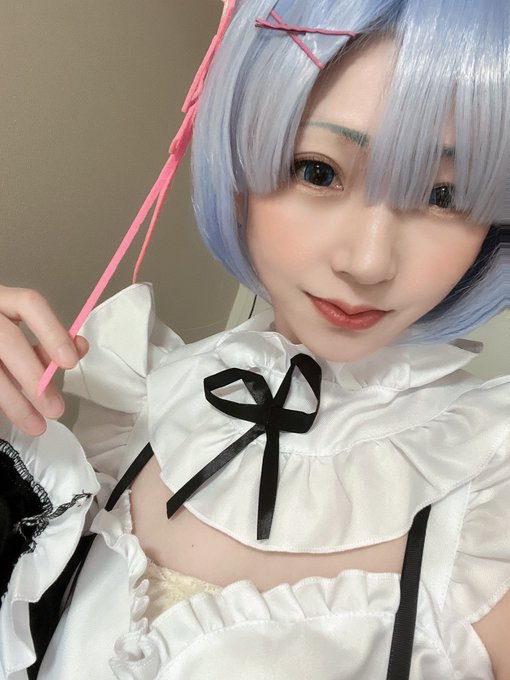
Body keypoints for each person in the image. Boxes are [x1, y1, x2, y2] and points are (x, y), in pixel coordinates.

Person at [0, 0, 509, 678]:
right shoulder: (126, 397)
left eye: (444, 196)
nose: (368, 262)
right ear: (236, 159)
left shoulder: (492, 488)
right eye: (319, 171)